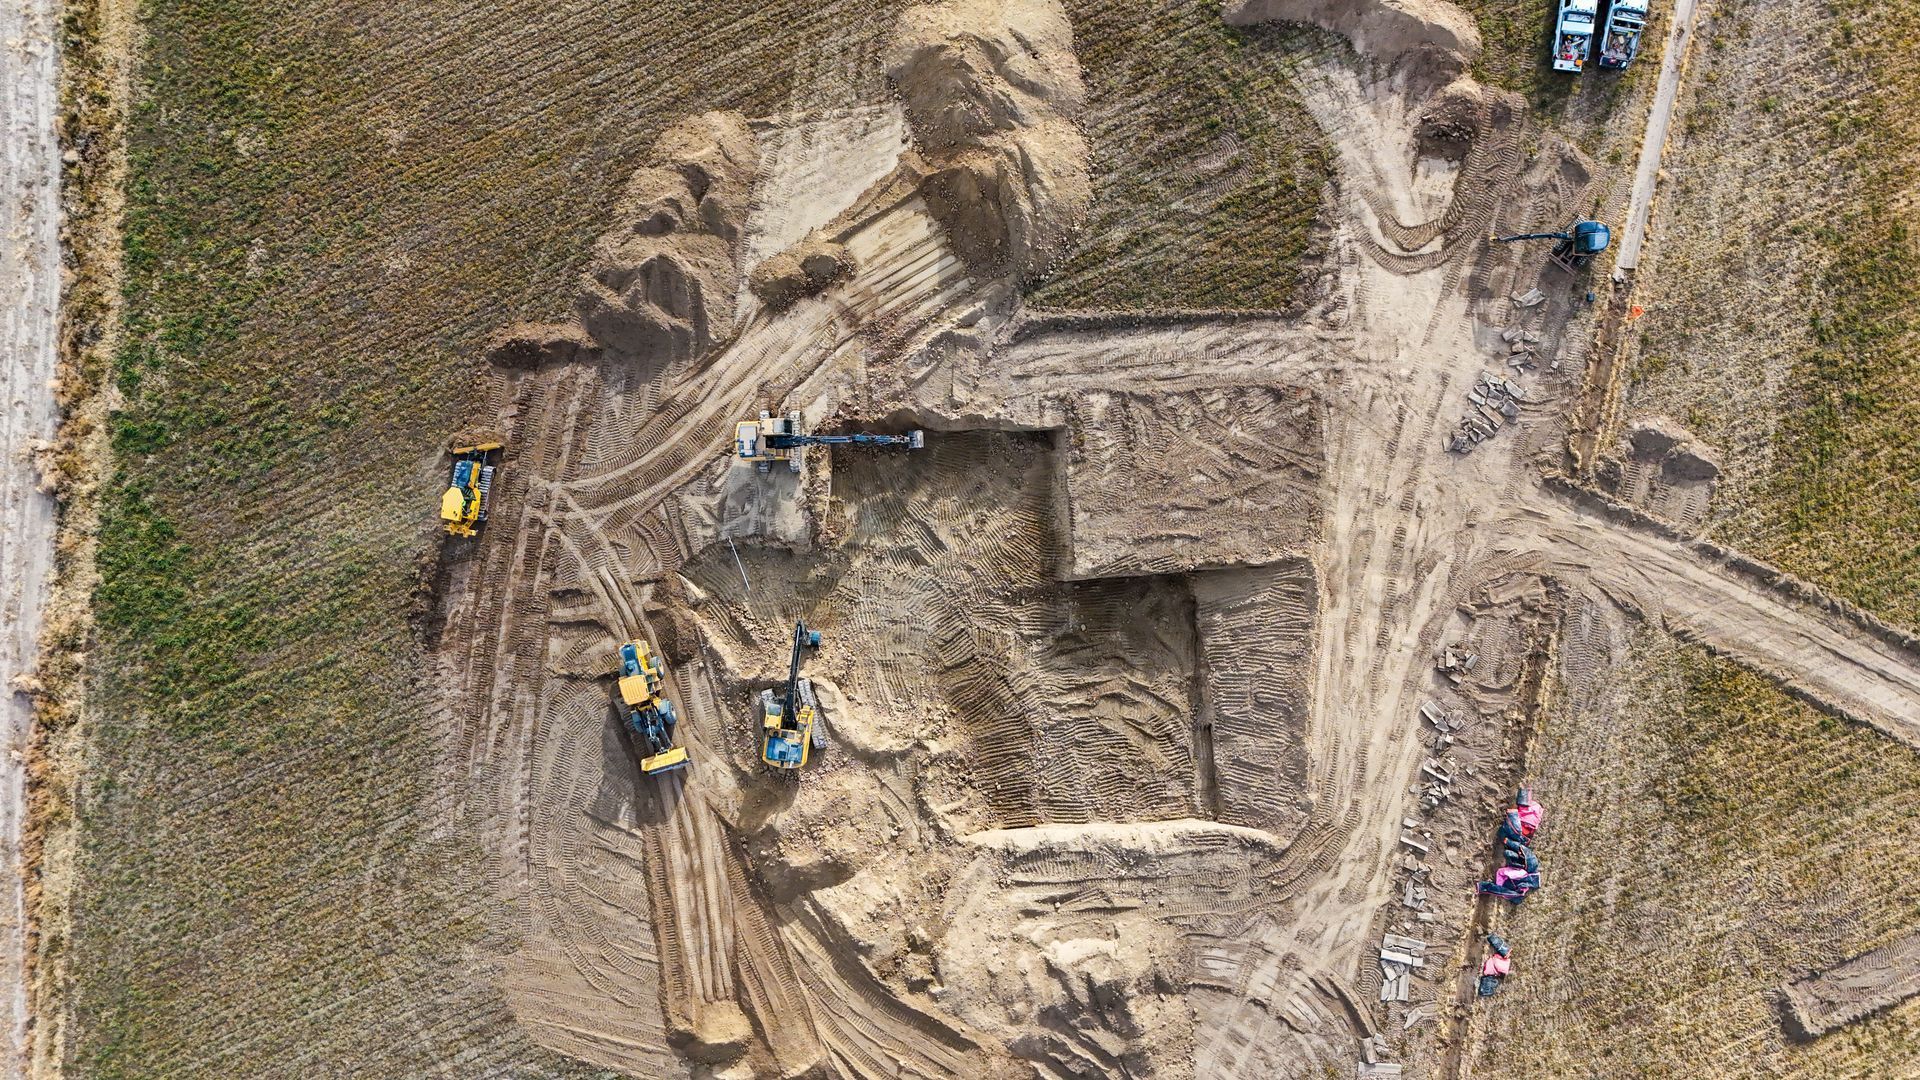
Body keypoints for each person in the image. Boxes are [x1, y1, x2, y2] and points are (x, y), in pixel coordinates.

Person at [1476, 864, 1541, 903]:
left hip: (1503, 877)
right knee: (1507, 892)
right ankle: (1483, 887)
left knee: (1509, 892)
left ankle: (1483, 887)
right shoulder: (1523, 875)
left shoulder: (1524, 878)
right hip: (1503, 878)